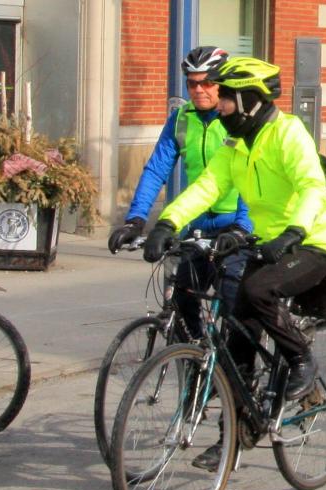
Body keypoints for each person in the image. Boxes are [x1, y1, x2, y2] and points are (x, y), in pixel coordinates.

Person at [141, 57, 326, 468]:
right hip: (267, 244)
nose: (218, 106)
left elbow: (311, 187)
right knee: (237, 338)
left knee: (256, 290)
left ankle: (302, 358)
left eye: (226, 99)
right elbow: (207, 186)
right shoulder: (238, 143)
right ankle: (237, 433)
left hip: (311, 243)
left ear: (249, 100)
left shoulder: (288, 134)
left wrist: (294, 232)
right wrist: (167, 222)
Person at [108, 46, 250, 342]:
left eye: (207, 82)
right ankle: (198, 365)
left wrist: (242, 226)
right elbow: (156, 169)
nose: (199, 90)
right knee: (183, 300)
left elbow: (251, 176)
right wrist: (136, 219)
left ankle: (240, 373)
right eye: (192, 83)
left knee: (234, 300)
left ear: (222, 83)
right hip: (198, 226)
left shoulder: (236, 119)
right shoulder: (181, 119)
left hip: (235, 224)